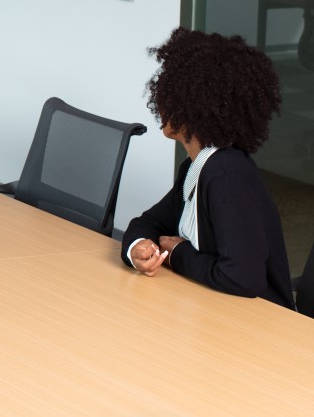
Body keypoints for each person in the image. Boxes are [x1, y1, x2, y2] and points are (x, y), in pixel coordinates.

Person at [122, 27, 293, 308]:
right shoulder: (197, 167)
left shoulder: (226, 176)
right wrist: (138, 249)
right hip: (210, 308)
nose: (160, 104)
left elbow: (242, 278)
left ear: (195, 109)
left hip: (259, 324)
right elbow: (148, 223)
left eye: (170, 97)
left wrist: (177, 254)